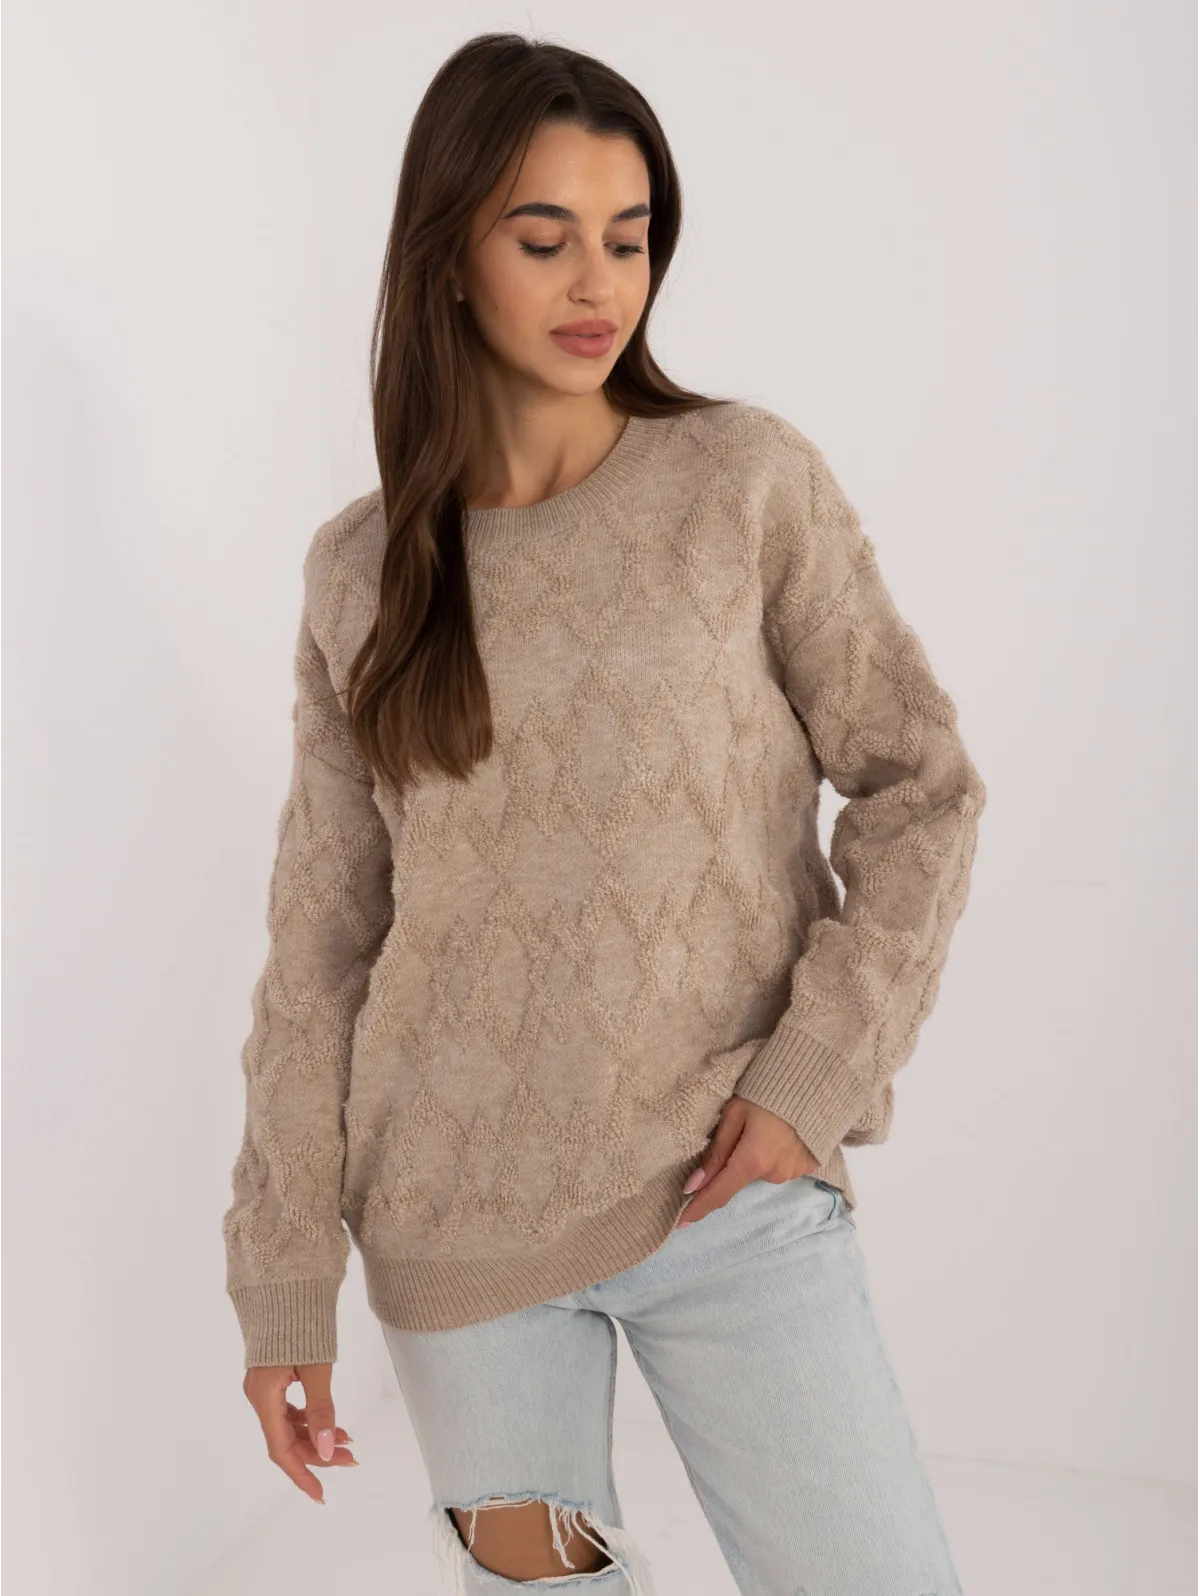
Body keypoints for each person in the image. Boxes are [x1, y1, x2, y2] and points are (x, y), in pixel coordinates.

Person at [222, 30, 986, 1596]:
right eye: (544, 237)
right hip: (454, 1229)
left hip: (729, 1186)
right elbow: (322, 950)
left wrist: (813, 1077)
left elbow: (921, 787)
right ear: (449, 258)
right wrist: (284, 1278)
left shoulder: (742, 482)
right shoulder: (363, 572)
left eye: (628, 238)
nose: (598, 284)